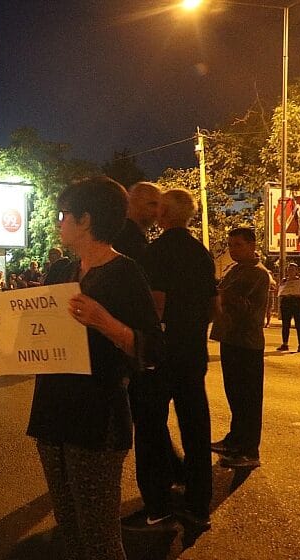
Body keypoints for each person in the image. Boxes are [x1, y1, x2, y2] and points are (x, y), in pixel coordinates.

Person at [0, 176, 162, 560]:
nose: (57, 222)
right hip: (52, 413)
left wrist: (105, 322)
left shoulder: (125, 273)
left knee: (100, 537)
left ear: (86, 220)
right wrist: (2, 323)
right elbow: (38, 334)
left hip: (97, 420)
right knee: (70, 528)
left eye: (63, 215)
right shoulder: (62, 271)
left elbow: (154, 349)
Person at [128, 188, 218, 531]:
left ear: (164, 215)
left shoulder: (156, 252)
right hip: (194, 353)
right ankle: (198, 504)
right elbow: (214, 307)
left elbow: (157, 304)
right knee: (196, 426)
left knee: (150, 427)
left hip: (162, 355)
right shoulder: (202, 253)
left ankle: (158, 506)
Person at [210, 227, 271, 469]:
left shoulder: (257, 274)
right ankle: (235, 440)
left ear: (252, 245)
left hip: (247, 344)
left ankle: (248, 451)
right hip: (231, 340)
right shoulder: (236, 270)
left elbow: (239, 302)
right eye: (231, 245)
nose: (233, 249)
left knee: (248, 399)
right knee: (235, 395)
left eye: (238, 244)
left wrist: (221, 294)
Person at [112, 181, 161, 263]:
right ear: (133, 203)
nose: (157, 211)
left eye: (159, 206)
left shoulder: (121, 233)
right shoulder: (130, 240)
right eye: (152, 204)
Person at [276, 263, 300, 352]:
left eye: (292, 269)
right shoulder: (284, 281)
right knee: (285, 324)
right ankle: (285, 344)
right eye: (289, 269)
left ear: (296, 271)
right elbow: (279, 292)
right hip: (286, 303)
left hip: (297, 303)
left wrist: (297, 293)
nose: (290, 271)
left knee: (298, 324)